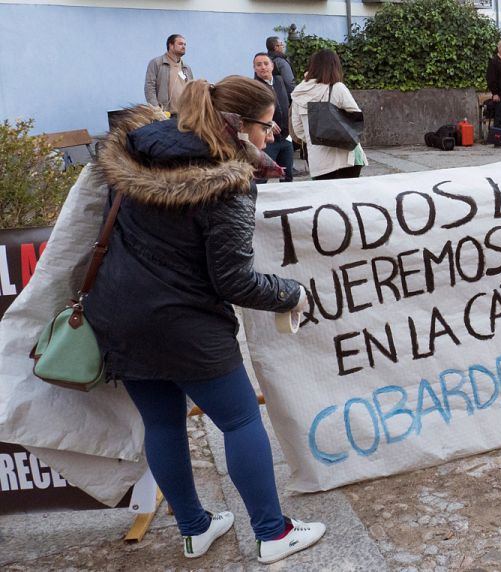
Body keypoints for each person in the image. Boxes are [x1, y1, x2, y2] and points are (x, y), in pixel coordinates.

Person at [86, 76, 325, 564]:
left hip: (117, 314)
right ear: (237, 125)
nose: (273, 130)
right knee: (239, 420)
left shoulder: (138, 150)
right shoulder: (227, 182)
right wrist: (291, 294)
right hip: (185, 323)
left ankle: (194, 528)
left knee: (162, 423)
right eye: (265, 123)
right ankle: (272, 532)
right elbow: (234, 281)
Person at [291, 49, 367, 180]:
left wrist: (317, 137)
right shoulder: (337, 88)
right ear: (335, 66)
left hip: (318, 160)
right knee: (348, 197)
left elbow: (298, 129)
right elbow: (356, 118)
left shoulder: (299, 92)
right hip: (346, 157)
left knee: (325, 198)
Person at [253, 53, 293, 182]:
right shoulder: (254, 87)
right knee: (261, 178)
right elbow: (250, 112)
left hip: (286, 138)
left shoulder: (280, 80)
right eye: (258, 65)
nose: (263, 67)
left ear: (272, 65)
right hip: (266, 140)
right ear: (254, 68)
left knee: (287, 176)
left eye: (266, 63)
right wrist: (267, 122)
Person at [144, 34, 194, 113]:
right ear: (171, 45)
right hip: (164, 114)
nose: (184, 46)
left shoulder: (186, 68)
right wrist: (156, 109)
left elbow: (192, 90)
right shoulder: (157, 63)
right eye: (180, 44)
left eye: (185, 44)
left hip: (184, 115)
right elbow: (149, 87)